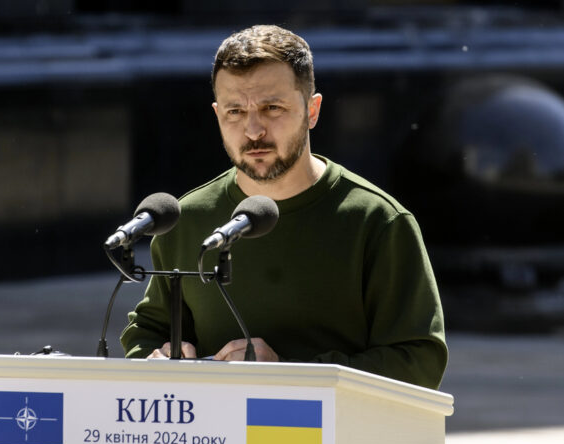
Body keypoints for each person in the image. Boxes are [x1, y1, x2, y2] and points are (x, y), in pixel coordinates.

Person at [120, 25, 447, 390]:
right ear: (217, 115)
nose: (253, 130)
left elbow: (419, 362)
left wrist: (289, 373)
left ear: (312, 110)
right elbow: (148, 332)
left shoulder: (377, 221)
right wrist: (159, 360)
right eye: (235, 111)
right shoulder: (185, 220)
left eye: (272, 108)